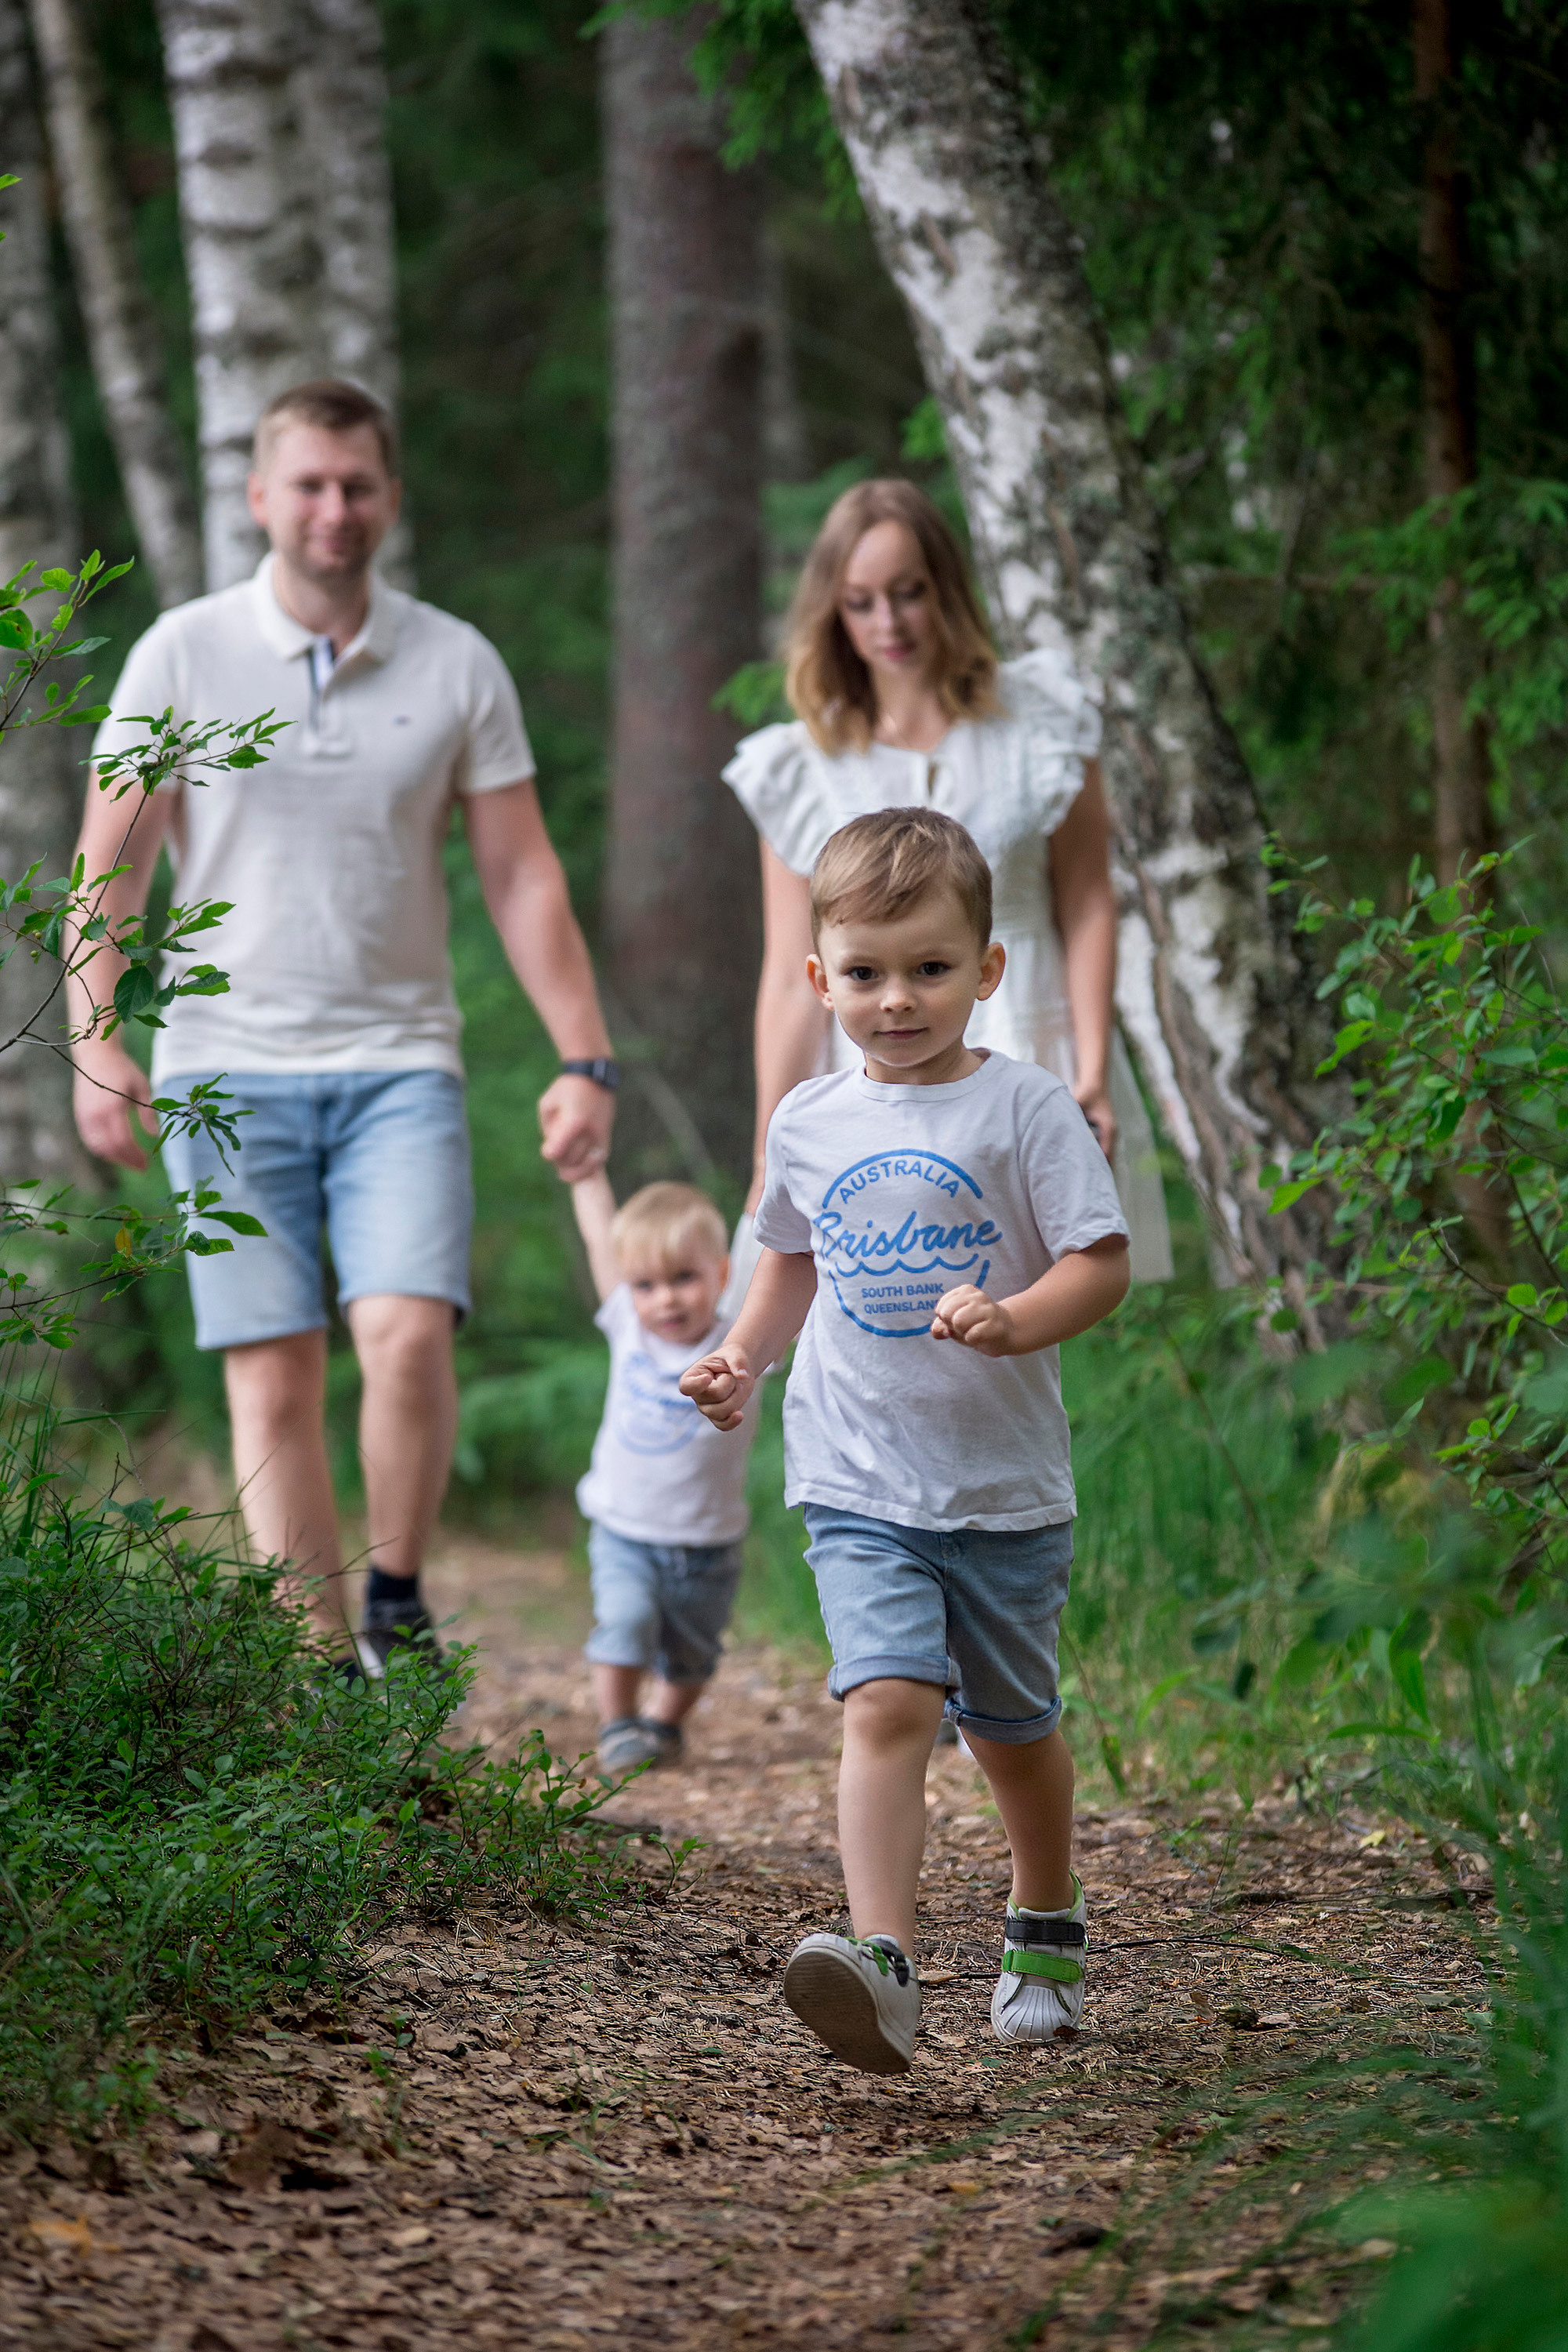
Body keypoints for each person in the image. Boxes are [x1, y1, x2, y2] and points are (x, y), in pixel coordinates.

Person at [69, 378, 619, 1681]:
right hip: (222, 1071)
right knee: (272, 1370)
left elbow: (524, 875)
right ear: (260, 498)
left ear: (390, 496)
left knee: (409, 1334)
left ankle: (397, 1593)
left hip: (398, 1064)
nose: (334, 509)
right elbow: (107, 875)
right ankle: (317, 1675)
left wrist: (583, 1055)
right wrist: (99, 1041)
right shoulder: (182, 656)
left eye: (357, 485)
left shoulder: (455, 662)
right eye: (308, 484)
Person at [681, 809, 1130, 2074]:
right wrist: (739, 1358)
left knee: (1010, 1731)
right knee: (886, 1702)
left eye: (930, 969)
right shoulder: (810, 1121)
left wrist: (1014, 1315)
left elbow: (1103, 1268)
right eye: (866, 974)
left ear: (988, 972)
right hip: (859, 1477)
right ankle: (882, 1964)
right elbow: (787, 1263)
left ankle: (1045, 1914)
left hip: (1001, 1491)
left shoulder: (1023, 1110)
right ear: (820, 981)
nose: (897, 1000)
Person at [724, 476, 1171, 1280]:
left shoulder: (1038, 718)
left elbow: (1086, 899)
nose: (887, 623)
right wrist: (769, 1149)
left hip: (1036, 1032)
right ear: (833, 610)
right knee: (887, 1294)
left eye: (907, 593)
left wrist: (1091, 1073)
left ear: (945, 589)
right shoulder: (802, 764)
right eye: (860, 602)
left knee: (1059, 1290)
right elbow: (792, 981)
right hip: (877, 1057)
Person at [570, 1176, 765, 1777]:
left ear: (722, 1274)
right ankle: (619, 1722)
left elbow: (764, 1240)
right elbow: (603, 1241)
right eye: (646, 1285)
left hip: (708, 1539)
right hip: (624, 1528)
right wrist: (585, 1177)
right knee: (624, 1622)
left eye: (684, 1278)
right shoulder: (627, 1326)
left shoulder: (742, 1339)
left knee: (693, 1652)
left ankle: (666, 1724)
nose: (665, 1301)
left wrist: (767, 1170)